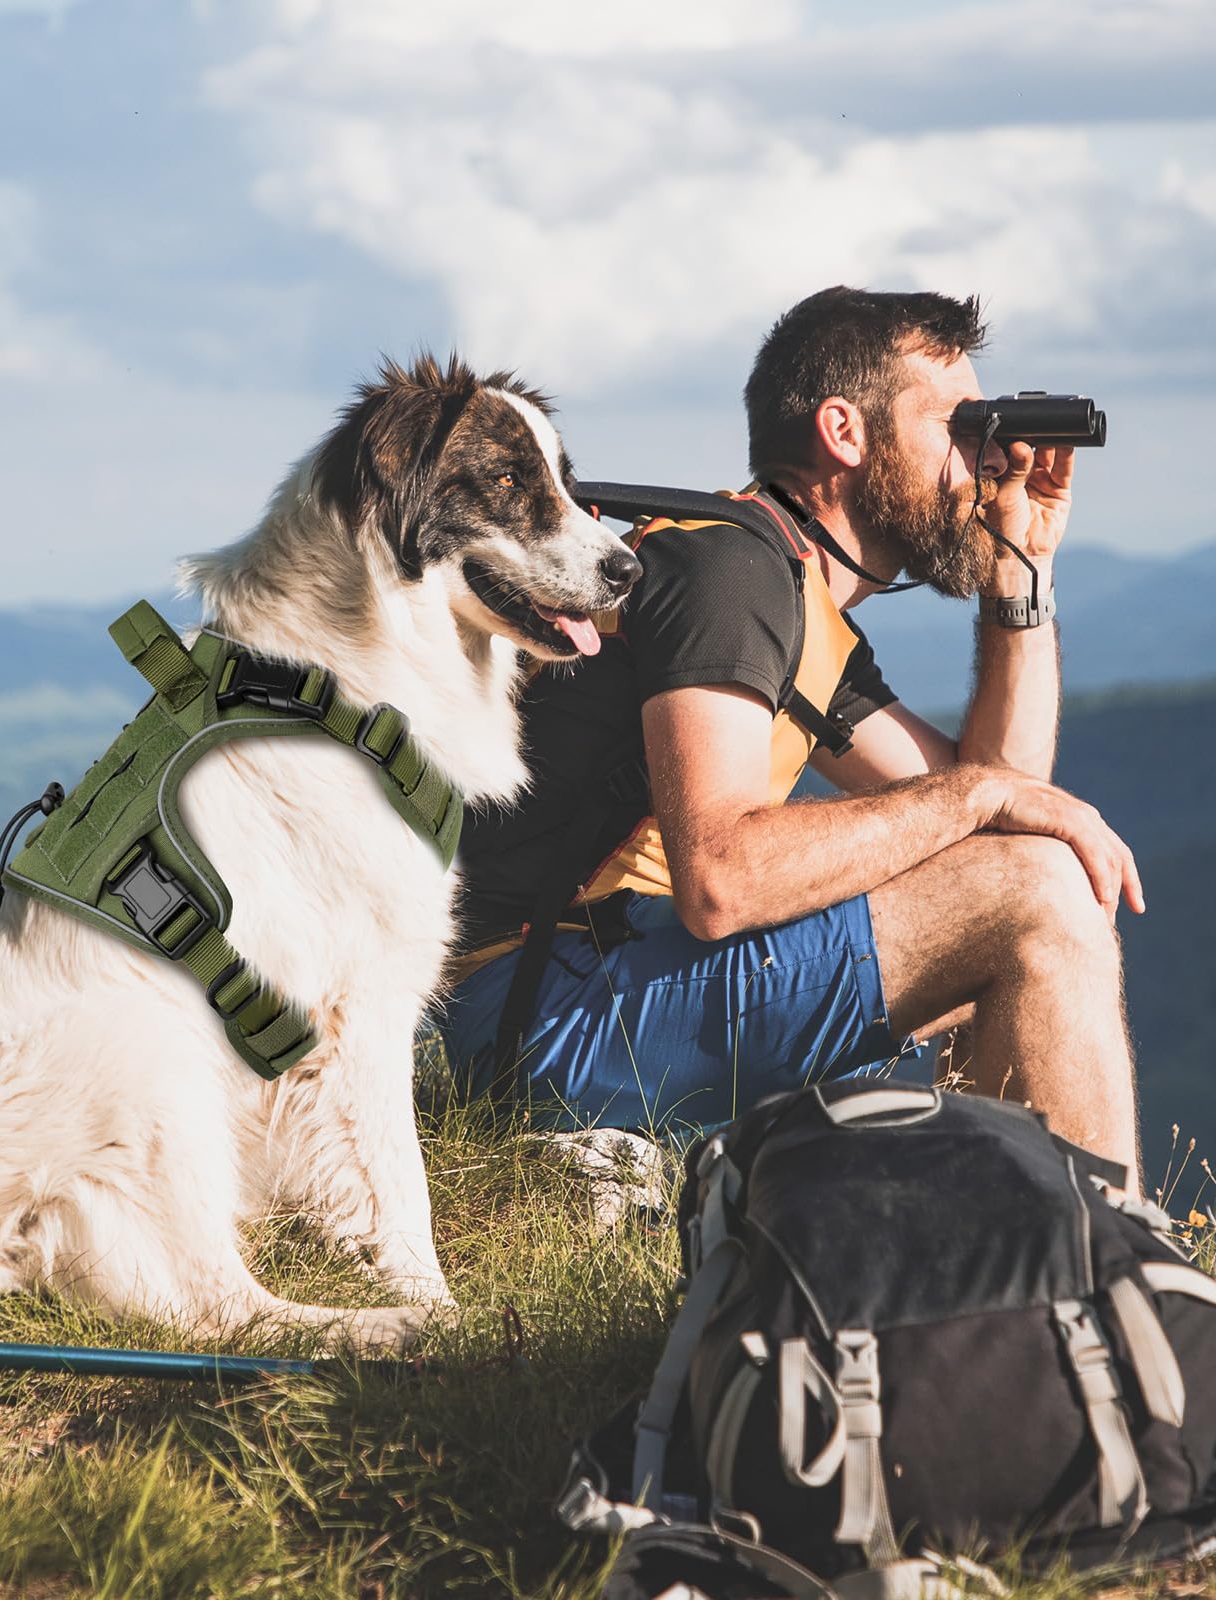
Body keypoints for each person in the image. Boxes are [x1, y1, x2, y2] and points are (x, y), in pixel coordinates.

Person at [440, 286, 1143, 1180]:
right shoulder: (731, 570)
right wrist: (975, 795)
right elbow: (722, 879)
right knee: (1037, 893)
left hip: (588, 988)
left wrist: (1023, 569)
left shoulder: (801, 606)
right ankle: (1110, 1277)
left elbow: (1008, 804)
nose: (982, 462)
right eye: (960, 429)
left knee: (1023, 873)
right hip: (533, 1015)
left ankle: (1013, 1270)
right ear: (845, 432)